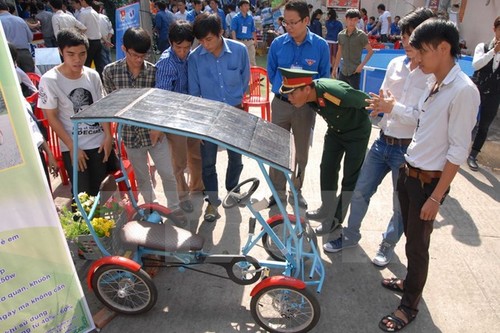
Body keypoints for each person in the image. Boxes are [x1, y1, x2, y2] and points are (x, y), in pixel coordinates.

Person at [378, 18, 479, 332]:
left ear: (444, 48)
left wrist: (436, 196)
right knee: (411, 239)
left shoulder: (463, 91)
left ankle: (409, 307)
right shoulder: (432, 81)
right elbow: (419, 117)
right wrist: (390, 107)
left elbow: (458, 150)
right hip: (409, 172)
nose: (416, 58)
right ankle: (410, 282)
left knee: (418, 247)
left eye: (421, 51)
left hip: (428, 183)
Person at [321, 8, 435, 260]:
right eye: (404, 36)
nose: (406, 42)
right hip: (382, 141)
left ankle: (387, 244)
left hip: (408, 150)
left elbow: (425, 118)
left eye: (411, 37)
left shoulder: (432, 76)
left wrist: (394, 108)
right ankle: (350, 236)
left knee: (399, 204)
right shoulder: (395, 64)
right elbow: (383, 99)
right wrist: (377, 107)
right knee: (360, 190)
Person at [101, 27, 186, 221]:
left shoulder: (154, 72)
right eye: (134, 55)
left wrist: (159, 127)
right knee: (142, 178)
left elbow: (163, 103)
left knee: (167, 172)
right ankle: (152, 209)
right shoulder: (110, 71)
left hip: (155, 133)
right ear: (123, 49)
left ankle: (174, 208)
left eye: (143, 55)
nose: (139, 60)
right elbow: (110, 103)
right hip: (130, 136)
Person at [279, 67, 370, 228]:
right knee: (327, 168)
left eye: (292, 93)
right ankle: (326, 208)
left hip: (356, 134)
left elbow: (366, 101)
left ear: (307, 89)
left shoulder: (333, 92)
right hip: (335, 132)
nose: (289, 98)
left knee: (349, 178)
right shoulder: (309, 97)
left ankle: (335, 219)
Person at [266, 0, 330, 209]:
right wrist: (285, 90)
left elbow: (324, 78)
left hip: (305, 109)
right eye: (286, 22)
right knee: (276, 149)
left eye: (294, 22)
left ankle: (296, 190)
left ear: (306, 20)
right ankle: (277, 192)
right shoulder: (278, 44)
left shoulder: (320, 46)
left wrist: (306, 96)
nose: (289, 26)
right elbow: (271, 72)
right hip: (281, 105)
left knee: (301, 152)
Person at [188, 12, 250, 222]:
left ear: (220, 33)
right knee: (208, 162)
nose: (205, 44)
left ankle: (232, 191)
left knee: (236, 157)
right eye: (201, 40)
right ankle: (212, 203)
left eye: (209, 39)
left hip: (234, 112)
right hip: (209, 116)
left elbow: (244, 79)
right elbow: (194, 93)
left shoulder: (239, 51)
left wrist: (235, 102)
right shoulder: (195, 58)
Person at [38, 28, 113, 197]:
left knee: (101, 191)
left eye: (82, 54)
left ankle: (102, 224)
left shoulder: (92, 75)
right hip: (73, 145)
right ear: (61, 52)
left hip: (99, 143)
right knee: (81, 194)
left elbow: (102, 107)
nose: (77, 59)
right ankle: (82, 224)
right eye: (71, 54)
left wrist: (108, 136)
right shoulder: (49, 80)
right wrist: (73, 146)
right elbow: (51, 117)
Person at [156, 20, 203, 214]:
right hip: (175, 119)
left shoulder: (191, 57)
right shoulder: (166, 63)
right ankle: (181, 196)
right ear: (170, 42)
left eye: (186, 47)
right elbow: (164, 98)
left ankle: (197, 188)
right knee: (179, 162)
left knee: (196, 155)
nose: (183, 52)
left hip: (192, 115)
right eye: (178, 47)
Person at [467, 16, 500, 171]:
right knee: (467, 120)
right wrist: (493, 52)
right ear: (494, 29)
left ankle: (473, 154)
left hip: (495, 93)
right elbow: (476, 64)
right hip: (478, 88)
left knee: (484, 125)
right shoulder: (483, 46)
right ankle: (454, 149)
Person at [332, 8, 373, 90]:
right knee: (341, 93)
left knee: (354, 96)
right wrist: (335, 68)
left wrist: (361, 66)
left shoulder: (361, 35)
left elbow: (370, 51)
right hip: (343, 71)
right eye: (350, 19)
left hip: (354, 72)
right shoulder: (341, 35)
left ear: (358, 20)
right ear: (346, 19)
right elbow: (339, 52)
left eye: (355, 20)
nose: (352, 22)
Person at [0, 0, 35, 73]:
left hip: (10, 55)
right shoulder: (20, 20)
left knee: (17, 81)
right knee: (31, 78)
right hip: (25, 53)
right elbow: (30, 38)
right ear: (8, 9)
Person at [231, 0, 256, 66]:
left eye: (248, 5)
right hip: (240, 41)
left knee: (252, 61)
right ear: (240, 7)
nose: (247, 7)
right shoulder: (235, 18)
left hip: (249, 41)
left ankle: (253, 75)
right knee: (240, 61)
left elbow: (253, 30)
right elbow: (233, 31)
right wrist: (235, 41)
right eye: (245, 5)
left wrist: (255, 40)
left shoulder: (250, 17)